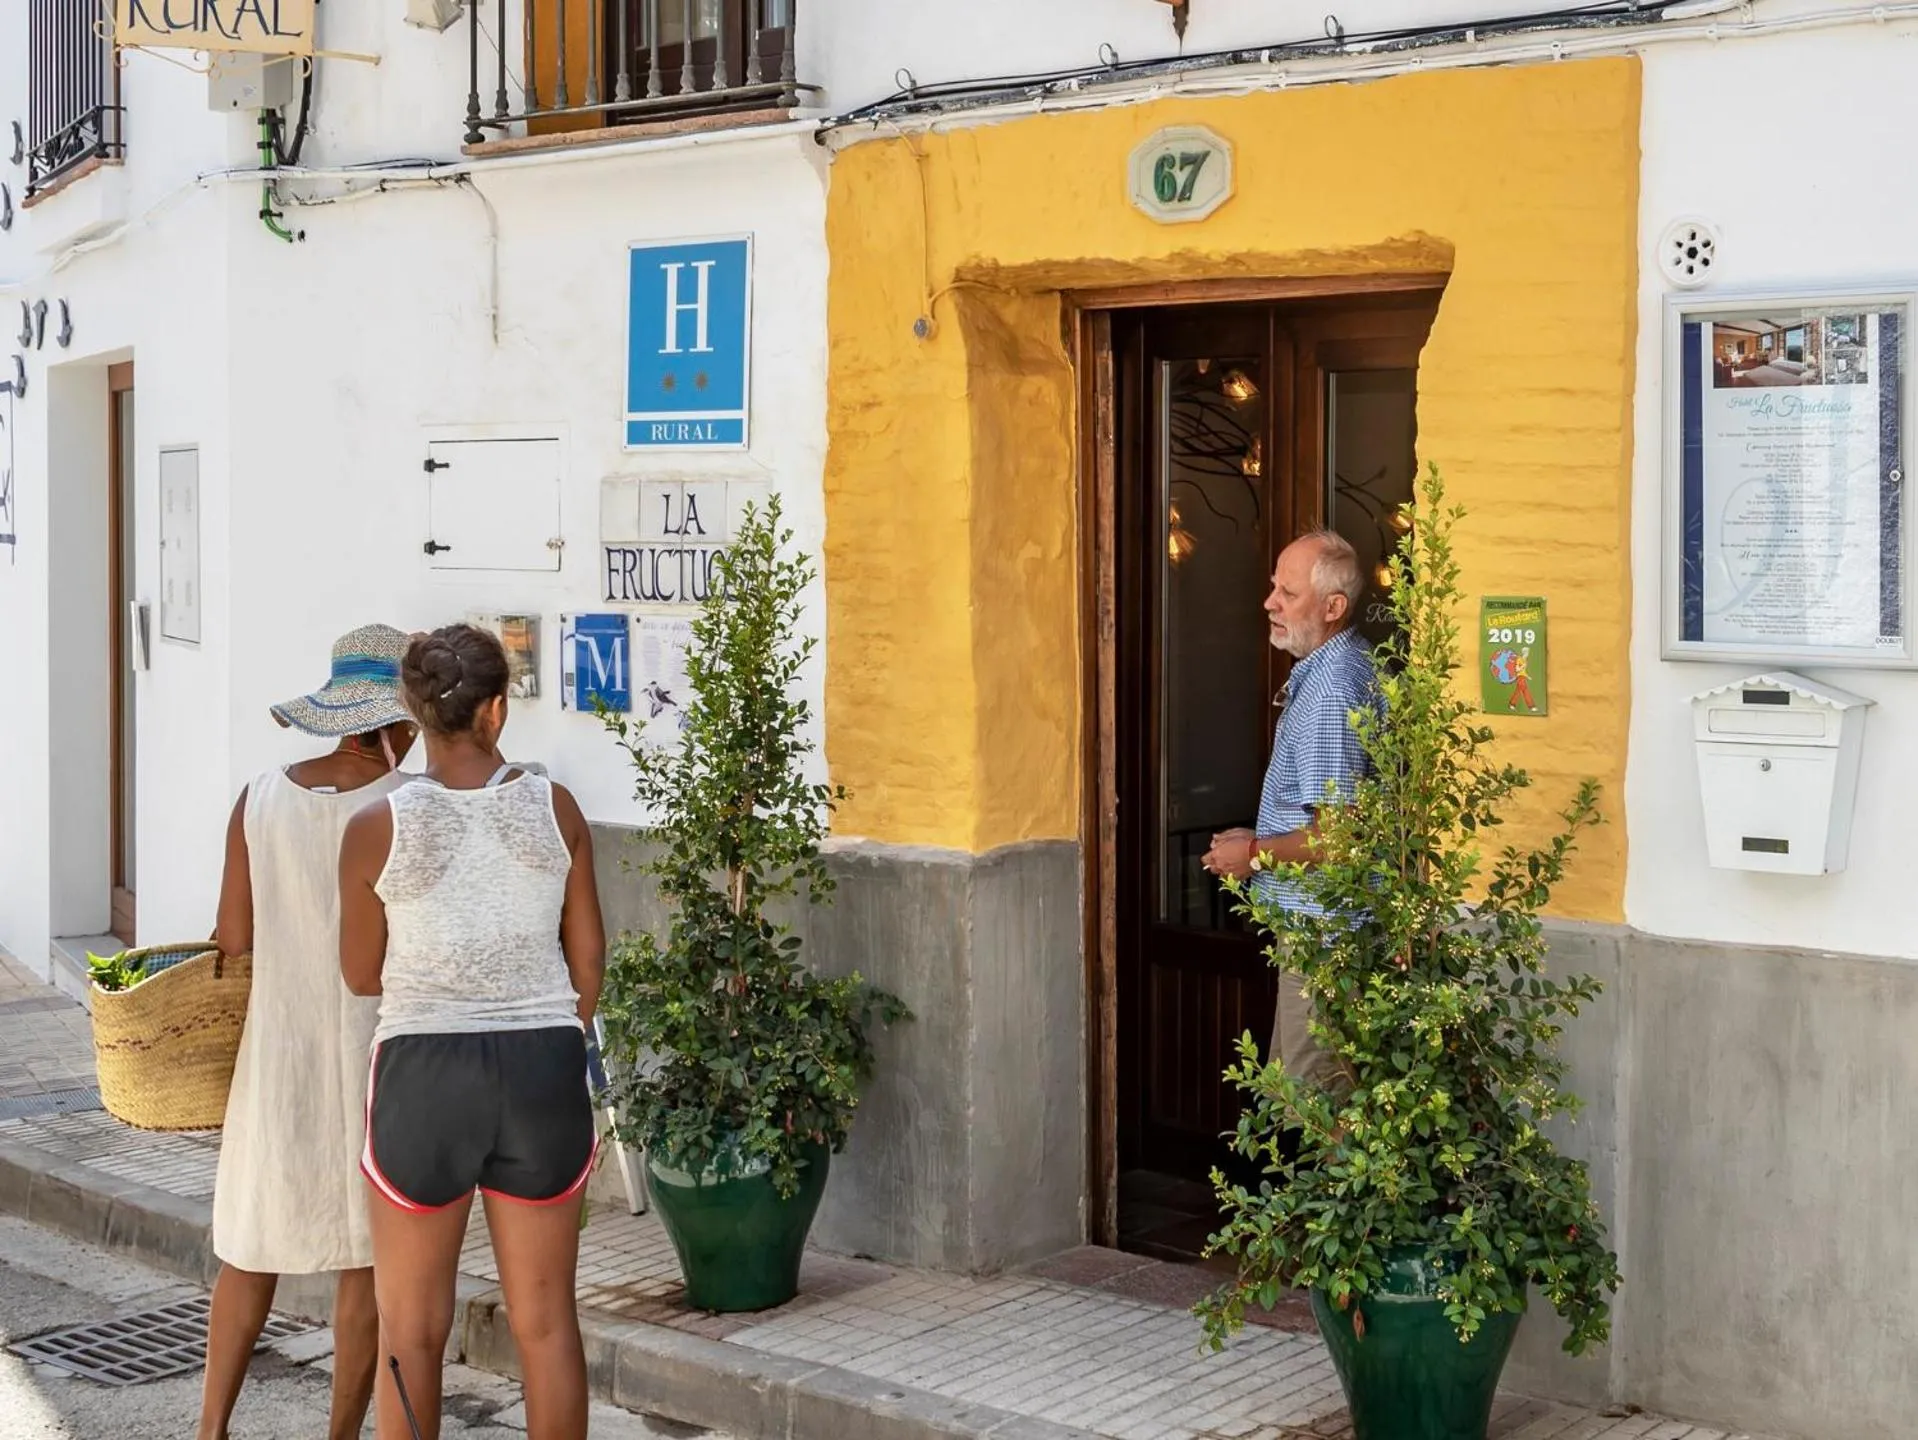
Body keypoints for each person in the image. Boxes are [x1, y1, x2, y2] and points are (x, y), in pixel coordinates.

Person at [339, 623, 606, 1440]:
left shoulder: (375, 826)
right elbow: (588, 963)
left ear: (414, 713)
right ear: (497, 710)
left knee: (411, 1331)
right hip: (541, 1066)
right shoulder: (554, 808)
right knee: (547, 1324)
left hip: (423, 1072)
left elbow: (360, 972)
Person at [200, 624, 420, 1440]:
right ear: (384, 728)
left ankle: (210, 1428)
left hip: (276, 1055)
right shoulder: (402, 808)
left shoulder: (257, 799)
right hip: (378, 1050)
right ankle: (341, 1435)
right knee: (365, 1256)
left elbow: (232, 938)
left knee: (250, 1244)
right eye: (407, 727)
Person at [1202, 531, 1377, 1093]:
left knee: (1322, 1113)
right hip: (1324, 937)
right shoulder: (1336, 670)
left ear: (1332, 608)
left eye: (1287, 591)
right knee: (1305, 1100)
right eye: (1273, 587)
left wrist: (1252, 854)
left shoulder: (1332, 689)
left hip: (1327, 940)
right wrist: (1266, 834)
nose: (1269, 602)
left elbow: (1341, 836)